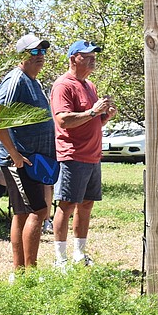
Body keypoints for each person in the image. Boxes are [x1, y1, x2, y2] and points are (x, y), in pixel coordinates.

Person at [50, 40, 116, 269]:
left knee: (87, 205)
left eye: (93, 55)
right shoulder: (63, 85)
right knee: (66, 205)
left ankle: (79, 253)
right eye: (86, 56)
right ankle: (60, 258)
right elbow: (63, 120)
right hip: (73, 155)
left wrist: (104, 116)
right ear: (72, 58)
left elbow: (91, 120)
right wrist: (92, 111)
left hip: (92, 155)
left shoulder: (89, 84)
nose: (92, 59)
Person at [0, 34, 56, 272]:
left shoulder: (34, 81)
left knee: (22, 213)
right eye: (34, 52)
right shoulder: (15, 80)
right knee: (38, 211)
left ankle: (19, 273)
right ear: (22, 56)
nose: (40, 56)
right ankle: (30, 273)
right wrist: (15, 154)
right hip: (21, 161)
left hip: (36, 162)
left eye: (42, 52)